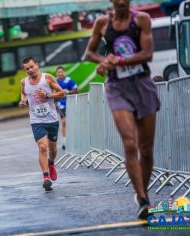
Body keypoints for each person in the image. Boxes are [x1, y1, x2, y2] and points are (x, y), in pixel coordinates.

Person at [86, 0, 160, 219]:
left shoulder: (141, 20)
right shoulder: (101, 23)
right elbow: (90, 53)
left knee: (146, 149)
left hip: (142, 85)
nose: (121, 2)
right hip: (117, 88)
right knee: (129, 142)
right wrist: (102, 60)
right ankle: (144, 200)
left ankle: (142, 193)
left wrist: (116, 61)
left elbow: (147, 54)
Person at [19, 57, 65, 191]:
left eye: (32, 67)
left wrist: (48, 95)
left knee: (53, 150)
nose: (30, 70)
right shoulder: (24, 82)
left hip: (51, 119)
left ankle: (51, 163)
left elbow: (62, 93)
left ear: (37, 65)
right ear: (24, 70)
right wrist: (22, 101)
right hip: (36, 120)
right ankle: (46, 177)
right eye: (27, 68)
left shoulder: (47, 78)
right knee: (43, 148)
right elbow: (23, 94)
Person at [55, 66, 78, 150]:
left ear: (64, 72)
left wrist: (67, 92)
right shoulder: (56, 82)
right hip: (61, 105)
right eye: (58, 72)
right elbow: (54, 93)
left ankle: (75, 140)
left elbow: (76, 90)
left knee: (72, 122)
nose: (60, 73)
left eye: (61, 71)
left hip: (70, 103)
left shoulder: (69, 80)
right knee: (64, 122)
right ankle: (65, 142)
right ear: (56, 73)